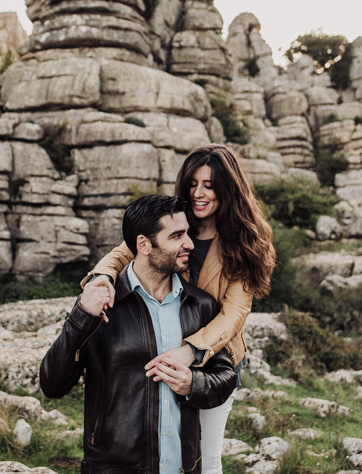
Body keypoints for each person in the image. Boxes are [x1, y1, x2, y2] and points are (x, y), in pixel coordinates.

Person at [82, 144, 275, 474]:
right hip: (160, 350)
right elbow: (123, 253)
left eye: (210, 186)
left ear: (228, 189)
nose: (199, 193)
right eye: (193, 184)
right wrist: (101, 277)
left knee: (204, 456)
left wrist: (191, 350)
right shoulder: (173, 219)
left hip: (214, 360)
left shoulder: (247, 240)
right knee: (161, 448)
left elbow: (234, 314)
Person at [40, 194, 236, 474]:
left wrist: (193, 384)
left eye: (188, 234)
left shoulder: (200, 305)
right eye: (177, 236)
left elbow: (225, 377)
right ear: (144, 244)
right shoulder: (101, 303)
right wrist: (82, 315)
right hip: (113, 468)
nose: (190, 244)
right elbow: (53, 384)